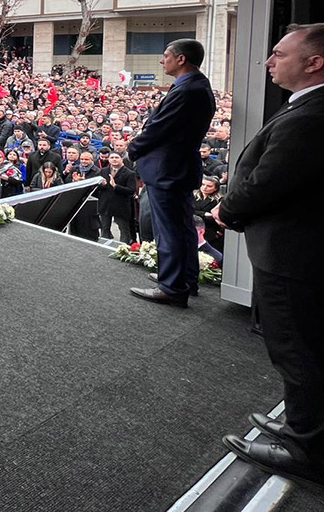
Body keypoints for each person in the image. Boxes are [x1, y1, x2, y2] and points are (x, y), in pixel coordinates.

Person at [213, 24, 324, 486]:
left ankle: (306, 447)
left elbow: (270, 182)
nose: (268, 61)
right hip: (298, 249)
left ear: (314, 62)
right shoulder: (307, 108)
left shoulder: (311, 116)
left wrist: (227, 209)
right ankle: (304, 427)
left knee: (296, 349)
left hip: (291, 253)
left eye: (278, 53)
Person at [127, 39, 215, 307]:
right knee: (183, 227)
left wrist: (133, 149)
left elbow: (159, 128)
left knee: (170, 230)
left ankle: (173, 287)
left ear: (181, 59)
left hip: (168, 169)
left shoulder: (188, 91)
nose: (161, 60)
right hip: (176, 168)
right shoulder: (195, 86)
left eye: (166, 55)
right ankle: (185, 279)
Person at [96, 152, 137, 244]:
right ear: (109, 159)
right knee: (104, 229)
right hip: (105, 205)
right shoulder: (103, 171)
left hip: (121, 206)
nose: (114, 159)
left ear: (121, 159)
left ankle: (124, 247)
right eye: (112, 157)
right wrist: (103, 185)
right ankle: (103, 247)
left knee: (123, 230)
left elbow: (131, 190)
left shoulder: (129, 173)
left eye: (116, 157)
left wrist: (116, 187)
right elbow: (97, 188)